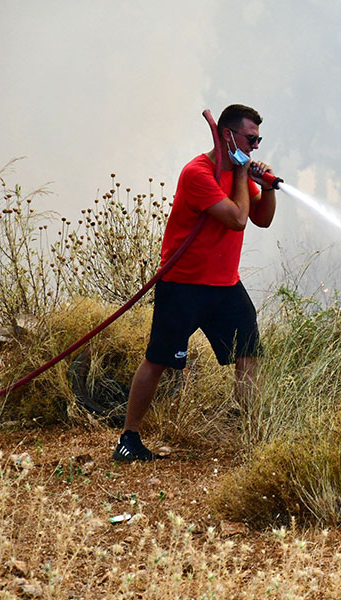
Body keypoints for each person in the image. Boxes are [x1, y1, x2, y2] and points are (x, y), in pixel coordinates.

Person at [113, 104, 276, 462]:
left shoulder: (239, 173)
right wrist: (241, 175)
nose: (255, 147)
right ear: (228, 135)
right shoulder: (197, 173)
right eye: (251, 139)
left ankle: (254, 440)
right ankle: (129, 439)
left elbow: (261, 219)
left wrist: (267, 186)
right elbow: (236, 219)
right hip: (184, 285)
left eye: (258, 139)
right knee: (158, 360)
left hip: (225, 286)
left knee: (248, 354)